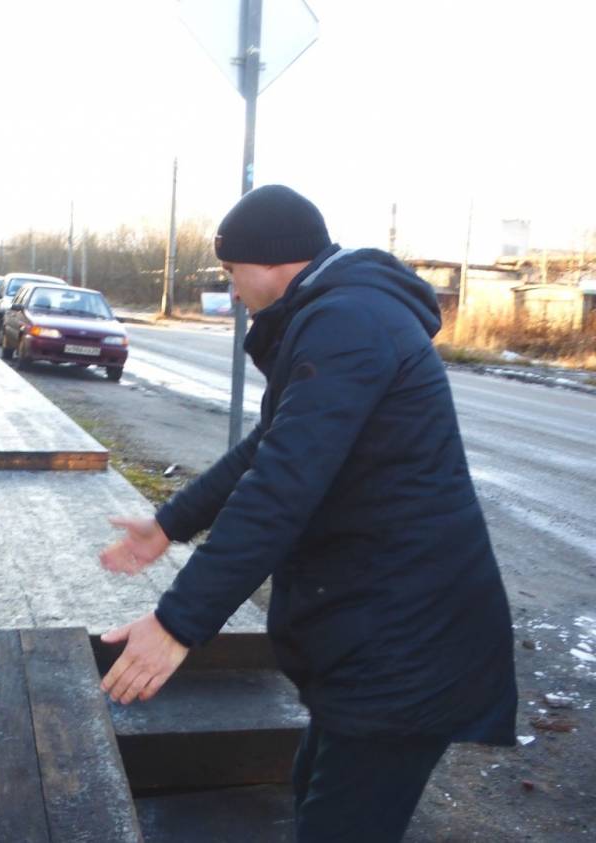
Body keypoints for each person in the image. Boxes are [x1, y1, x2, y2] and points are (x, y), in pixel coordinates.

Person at [98, 185, 517, 841]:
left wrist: (178, 622)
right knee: (312, 791)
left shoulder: (349, 324)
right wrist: (170, 523)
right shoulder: (339, 313)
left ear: (270, 261)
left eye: (232, 273)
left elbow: (281, 488)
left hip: (408, 643)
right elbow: (269, 449)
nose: (232, 291)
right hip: (374, 631)